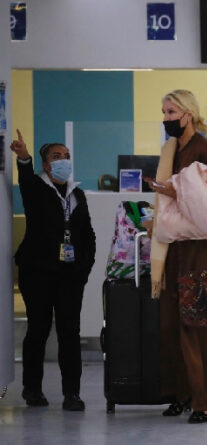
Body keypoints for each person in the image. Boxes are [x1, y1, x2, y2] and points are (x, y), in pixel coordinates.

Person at [148, 89, 207, 424]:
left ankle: (203, 401)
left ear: (188, 114)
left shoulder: (204, 150)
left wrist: (174, 189)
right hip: (175, 248)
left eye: (171, 112)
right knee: (169, 323)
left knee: (197, 323)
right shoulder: (171, 150)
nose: (166, 118)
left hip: (201, 249)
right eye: (163, 112)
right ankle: (179, 393)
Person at [11, 131, 96, 411]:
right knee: (38, 329)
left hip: (70, 276)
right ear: (46, 165)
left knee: (69, 332)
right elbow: (24, 178)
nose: (63, 161)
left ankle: (72, 393)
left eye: (67, 157)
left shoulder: (77, 193)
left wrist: (84, 267)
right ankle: (32, 390)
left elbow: (87, 235)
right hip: (38, 272)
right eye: (57, 157)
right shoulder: (36, 187)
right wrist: (23, 157)